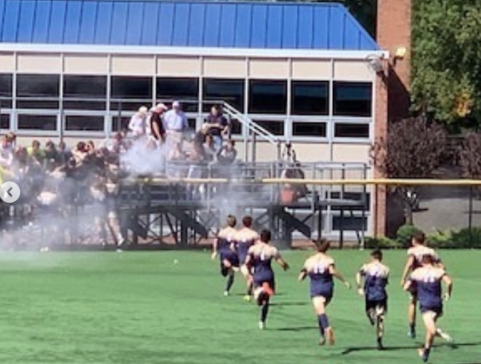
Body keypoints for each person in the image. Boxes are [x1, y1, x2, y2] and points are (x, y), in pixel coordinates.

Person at [298, 239, 351, 346]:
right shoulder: (329, 259)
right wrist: (344, 281)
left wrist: (303, 273)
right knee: (320, 311)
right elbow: (332, 271)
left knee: (320, 310)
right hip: (328, 288)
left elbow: (301, 277)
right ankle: (322, 336)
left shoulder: (309, 260)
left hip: (316, 288)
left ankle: (327, 328)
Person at [404, 254, 453, 362]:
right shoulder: (438, 271)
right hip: (437, 304)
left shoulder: (417, 272)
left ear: (422, 262)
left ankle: (439, 333)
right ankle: (425, 352)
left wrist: (414, 290)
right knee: (429, 329)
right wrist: (448, 294)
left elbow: (406, 287)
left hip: (425, 304)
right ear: (432, 262)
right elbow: (449, 282)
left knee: (431, 329)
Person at [400, 231, 444, 339]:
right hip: (430, 280)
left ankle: (411, 327)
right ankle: (431, 326)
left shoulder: (413, 251)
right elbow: (441, 265)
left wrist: (403, 277)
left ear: (414, 240)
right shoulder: (431, 251)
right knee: (432, 303)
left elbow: (410, 264)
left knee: (412, 302)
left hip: (417, 278)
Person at [245, 229, 289, 330]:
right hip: (268, 274)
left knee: (257, 294)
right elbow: (281, 262)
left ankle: (259, 293)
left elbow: (247, 262)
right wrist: (285, 266)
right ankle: (262, 321)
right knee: (266, 301)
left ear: (260, 237)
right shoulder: (272, 249)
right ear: (269, 238)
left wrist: (249, 272)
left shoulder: (253, 249)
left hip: (257, 274)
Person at [356, 249, 389, 350]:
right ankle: (379, 339)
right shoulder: (385, 269)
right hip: (381, 295)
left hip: (370, 295)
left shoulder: (367, 267)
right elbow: (385, 282)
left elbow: (358, 274)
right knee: (381, 319)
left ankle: (372, 316)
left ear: (372, 257)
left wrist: (359, 286)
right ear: (381, 257)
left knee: (369, 312)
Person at [211, 215, 240, 296]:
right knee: (231, 274)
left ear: (227, 223)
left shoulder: (222, 232)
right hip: (233, 253)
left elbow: (215, 240)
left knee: (224, 272)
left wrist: (215, 251)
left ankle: (229, 267)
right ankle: (226, 290)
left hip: (224, 253)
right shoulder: (237, 233)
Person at [234, 216, 259, 301]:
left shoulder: (238, 234)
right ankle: (251, 293)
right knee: (251, 276)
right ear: (251, 223)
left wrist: (237, 253)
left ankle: (250, 293)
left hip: (242, 258)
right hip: (251, 258)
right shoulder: (254, 234)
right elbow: (257, 246)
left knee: (249, 277)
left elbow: (232, 246)